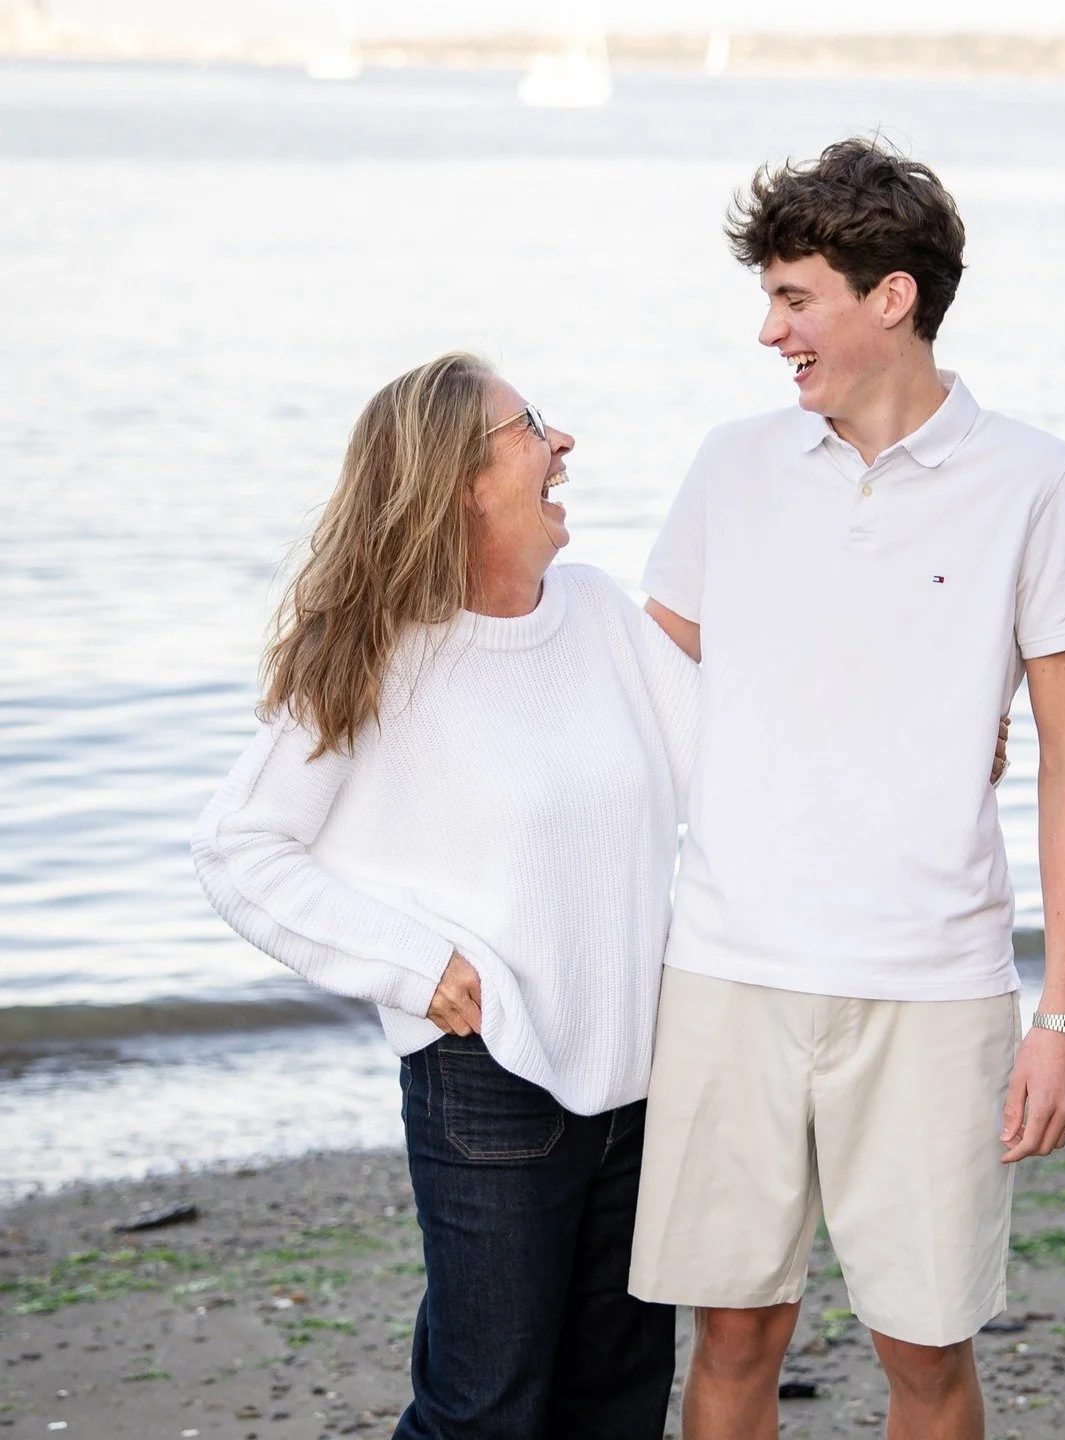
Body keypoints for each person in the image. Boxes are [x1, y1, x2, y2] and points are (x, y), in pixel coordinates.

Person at [629, 137, 1065, 1440]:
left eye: (794, 299)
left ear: (889, 297)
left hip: (934, 982)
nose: (767, 330)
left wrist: (1062, 1017)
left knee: (925, 1348)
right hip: (728, 969)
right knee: (728, 1336)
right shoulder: (734, 466)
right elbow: (651, 686)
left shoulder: (1038, 482)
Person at [190, 352, 697, 1440]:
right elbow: (242, 850)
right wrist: (420, 968)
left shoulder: (599, 613)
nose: (563, 446)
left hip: (644, 1081)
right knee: (485, 1415)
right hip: (493, 1081)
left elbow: (738, 778)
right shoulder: (375, 658)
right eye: (534, 428)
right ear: (464, 480)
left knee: (616, 1405)